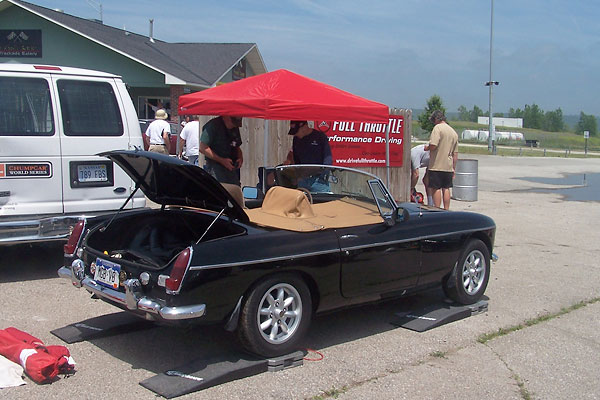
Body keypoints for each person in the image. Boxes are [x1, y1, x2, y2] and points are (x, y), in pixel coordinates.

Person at [199, 115, 244, 207]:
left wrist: (240, 157)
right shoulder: (212, 126)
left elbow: (237, 146)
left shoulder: (234, 128)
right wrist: (222, 160)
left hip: (231, 167)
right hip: (215, 167)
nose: (234, 126)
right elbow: (203, 148)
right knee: (219, 194)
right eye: (233, 123)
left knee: (234, 193)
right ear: (226, 117)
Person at [284, 120, 333, 192]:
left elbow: (328, 160)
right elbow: (296, 159)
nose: (296, 134)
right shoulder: (296, 140)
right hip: (303, 180)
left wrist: (323, 176)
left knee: (322, 201)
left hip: (319, 181)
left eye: (297, 131)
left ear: (304, 127)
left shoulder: (320, 137)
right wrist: (298, 176)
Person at [425, 110, 458, 210]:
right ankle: (446, 209)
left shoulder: (437, 128)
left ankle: (437, 209)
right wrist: (453, 168)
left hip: (437, 165)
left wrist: (427, 147)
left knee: (436, 188)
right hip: (448, 166)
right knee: (446, 188)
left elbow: (433, 145)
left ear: (436, 119)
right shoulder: (453, 132)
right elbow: (455, 154)